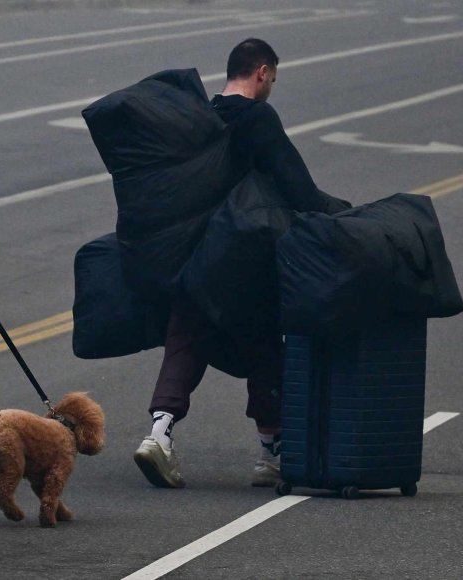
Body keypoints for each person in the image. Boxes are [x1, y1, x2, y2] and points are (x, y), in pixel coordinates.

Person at [133, 38, 349, 490]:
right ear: (263, 73)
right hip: (246, 259)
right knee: (266, 345)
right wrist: (342, 214)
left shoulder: (204, 117)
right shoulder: (258, 117)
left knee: (185, 340)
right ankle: (271, 453)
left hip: (197, 256)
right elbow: (298, 187)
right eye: (272, 78)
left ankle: (159, 433)